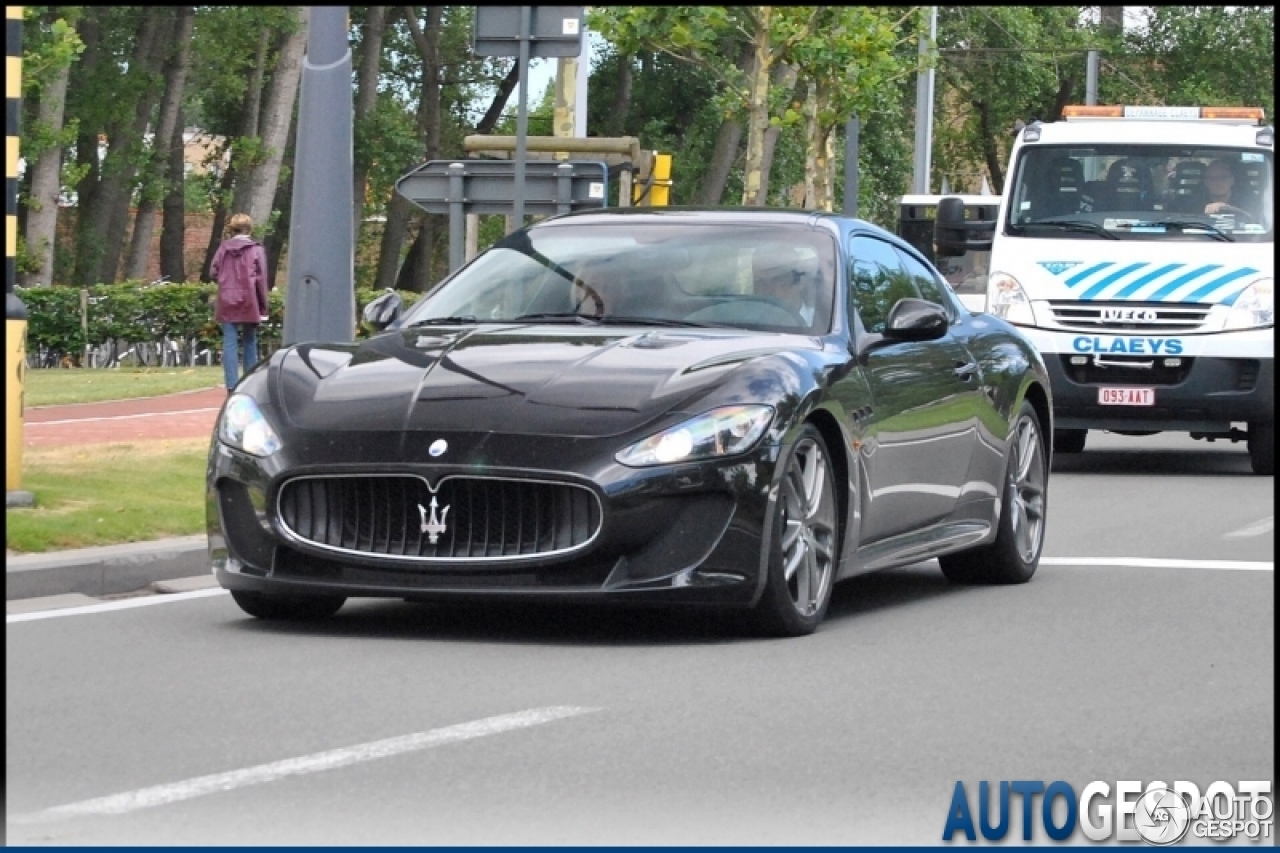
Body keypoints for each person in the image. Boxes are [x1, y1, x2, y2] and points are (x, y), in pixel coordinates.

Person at [211, 212, 270, 392]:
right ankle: (249, 381)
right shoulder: (256, 250)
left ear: (232, 229)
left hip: (227, 298)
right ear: (249, 228)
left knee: (229, 342)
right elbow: (261, 279)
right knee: (250, 340)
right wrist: (264, 307)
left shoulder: (223, 249)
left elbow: (213, 272)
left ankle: (231, 384)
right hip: (249, 298)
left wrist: (224, 282)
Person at [753, 248, 818, 326]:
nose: (768, 289)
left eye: (778, 280)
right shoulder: (742, 321)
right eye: (760, 281)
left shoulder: (820, 325)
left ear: (800, 282)